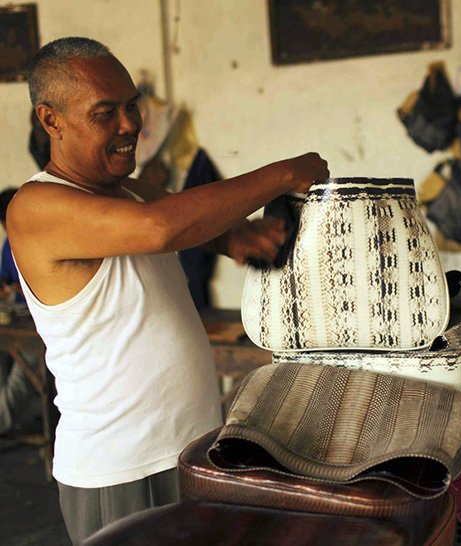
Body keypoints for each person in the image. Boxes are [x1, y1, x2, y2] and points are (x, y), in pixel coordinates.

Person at [9, 36, 329, 544]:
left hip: (191, 451)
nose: (130, 124)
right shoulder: (36, 208)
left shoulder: (129, 191)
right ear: (51, 120)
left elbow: (197, 220)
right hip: (122, 469)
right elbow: (162, 227)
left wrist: (244, 237)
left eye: (132, 105)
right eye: (105, 112)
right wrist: (286, 173)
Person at [0, 187, 32, 436]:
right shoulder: (9, 244)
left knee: (24, 371)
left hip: (40, 330)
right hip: (17, 320)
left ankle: (3, 420)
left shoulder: (41, 240)